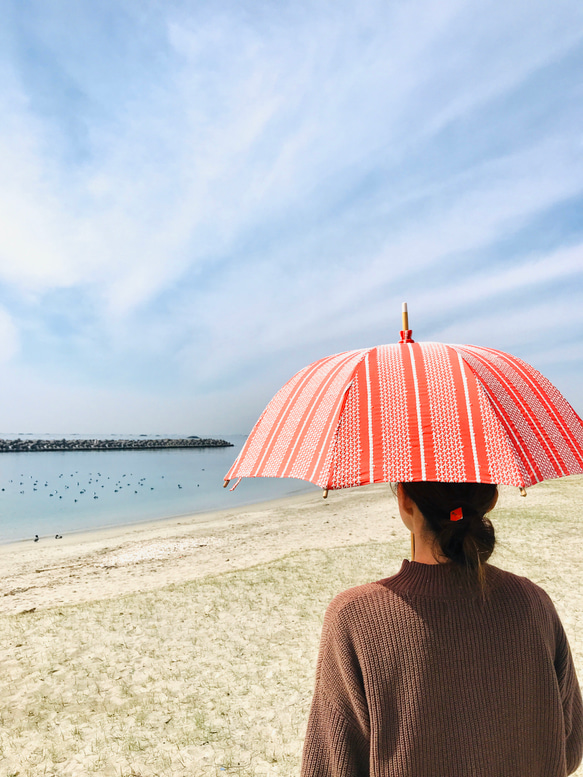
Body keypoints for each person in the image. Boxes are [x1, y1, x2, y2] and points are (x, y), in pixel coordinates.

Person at [301, 481, 583, 777]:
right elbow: (570, 747)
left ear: (405, 500)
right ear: (493, 498)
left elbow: (330, 766)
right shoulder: (533, 601)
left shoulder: (353, 616)